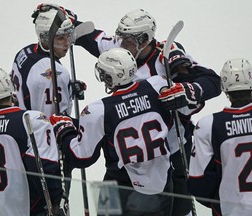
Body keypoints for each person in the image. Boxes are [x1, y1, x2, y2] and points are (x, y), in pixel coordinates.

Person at [58, 5, 221, 215]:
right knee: (111, 207)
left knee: (175, 209)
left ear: (144, 40)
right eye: (121, 37)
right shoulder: (121, 53)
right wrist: (70, 23)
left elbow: (212, 82)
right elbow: (90, 39)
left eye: (128, 39)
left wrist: (188, 89)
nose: (120, 43)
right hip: (120, 158)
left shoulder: (166, 58)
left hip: (169, 153)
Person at [50, 48, 198, 216]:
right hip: (160, 186)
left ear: (108, 77)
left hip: (115, 183)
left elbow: (81, 157)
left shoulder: (97, 110)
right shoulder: (158, 84)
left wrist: (64, 130)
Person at [0, 67, 68, 216]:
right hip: (24, 210)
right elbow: (45, 168)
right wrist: (57, 199)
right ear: (10, 85)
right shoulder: (31, 120)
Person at [187, 58, 252, 216]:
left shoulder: (208, 124)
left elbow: (198, 182)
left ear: (224, 87)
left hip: (229, 210)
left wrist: (217, 202)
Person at [11, 4, 86, 117]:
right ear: (44, 38)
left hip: (21, 124)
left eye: (68, 36)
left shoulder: (25, 52)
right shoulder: (55, 75)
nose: (67, 43)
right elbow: (53, 124)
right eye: (60, 38)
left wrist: (68, 89)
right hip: (37, 133)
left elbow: (30, 89)